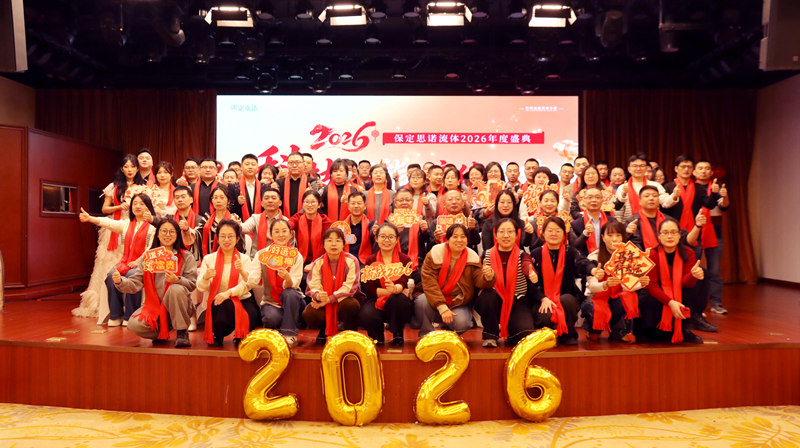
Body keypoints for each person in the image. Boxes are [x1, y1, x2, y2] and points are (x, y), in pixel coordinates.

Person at [113, 219, 198, 348]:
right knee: (134, 325)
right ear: (157, 234)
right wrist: (120, 281)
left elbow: (192, 284)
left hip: (181, 306)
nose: (167, 235)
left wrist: (177, 280)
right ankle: (161, 331)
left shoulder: (186, 256)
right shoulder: (148, 257)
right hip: (155, 307)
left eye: (172, 232)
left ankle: (182, 332)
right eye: (164, 231)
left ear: (177, 235)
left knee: (175, 289)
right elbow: (136, 282)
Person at [79, 193, 157, 326]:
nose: (137, 206)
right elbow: (109, 223)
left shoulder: (153, 226)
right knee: (111, 275)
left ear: (148, 207)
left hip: (145, 263)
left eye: (142, 204)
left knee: (132, 276)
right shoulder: (126, 224)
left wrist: (138, 261)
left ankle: (130, 315)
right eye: (135, 204)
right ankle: (116, 315)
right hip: (126, 262)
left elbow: (151, 248)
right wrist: (90, 218)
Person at [416, 223, 493, 337]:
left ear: (467, 240)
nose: (459, 240)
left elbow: (479, 281)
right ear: (447, 239)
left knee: (463, 323)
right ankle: (426, 334)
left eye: (463, 237)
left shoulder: (472, 258)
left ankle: (450, 334)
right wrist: (442, 307)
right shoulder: (434, 254)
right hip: (434, 299)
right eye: (455, 236)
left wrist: (488, 276)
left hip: (458, 302)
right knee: (421, 302)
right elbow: (429, 283)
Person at [637, 219, 706, 344]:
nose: (670, 236)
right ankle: (650, 330)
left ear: (679, 235)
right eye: (665, 233)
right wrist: (670, 302)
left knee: (699, 282)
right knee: (647, 297)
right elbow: (652, 286)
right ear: (659, 236)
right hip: (659, 293)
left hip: (679, 290)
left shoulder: (688, 253)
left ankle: (683, 328)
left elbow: (686, 283)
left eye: (674, 232)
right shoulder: (652, 254)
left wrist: (692, 275)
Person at [530, 216, 594, 345]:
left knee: (567, 300)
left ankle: (568, 334)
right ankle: (547, 337)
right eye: (550, 230)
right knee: (545, 315)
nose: (554, 234)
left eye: (558, 231)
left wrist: (592, 269)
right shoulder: (535, 254)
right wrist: (542, 298)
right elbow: (530, 283)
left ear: (564, 234)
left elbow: (582, 262)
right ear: (543, 233)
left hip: (566, 296)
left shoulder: (571, 251)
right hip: (542, 298)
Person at [474, 218, 538, 347]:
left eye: (510, 231)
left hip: (517, 300)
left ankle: (511, 333)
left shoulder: (523, 255)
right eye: (502, 231)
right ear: (495, 234)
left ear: (517, 234)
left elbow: (527, 265)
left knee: (525, 333)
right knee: (487, 296)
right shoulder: (486, 255)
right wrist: (486, 277)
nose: (506, 235)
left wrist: (531, 273)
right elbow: (477, 280)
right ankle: (490, 335)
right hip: (494, 301)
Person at [196, 219, 260, 347]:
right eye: (223, 236)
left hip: (241, 300)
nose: (226, 240)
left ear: (237, 239)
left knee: (252, 315)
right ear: (217, 238)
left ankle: (240, 334)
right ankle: (217, 334)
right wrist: (205, 278)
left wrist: (229, 291)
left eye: (230, 236)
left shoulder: (244, 259)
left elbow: (248, 284)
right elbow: (201, 287)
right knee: (222, 305)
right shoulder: (209, 259)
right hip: (219, 303)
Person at [580, 221, 644, 343]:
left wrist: (641, 283)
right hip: (598, 297)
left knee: (628, 297)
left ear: (623, 238)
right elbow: (592, 286)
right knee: (589, 306)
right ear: (603, 237)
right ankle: (594, 329)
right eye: (610, 235)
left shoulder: (629, 256)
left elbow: (629, 286)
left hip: (618, 295)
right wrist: (606, 284)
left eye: (618, 235)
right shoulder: (594, 257)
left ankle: (619, 332)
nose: (614, 239)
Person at [358, 223, 420, 346]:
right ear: (377, 238)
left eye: (391, 237)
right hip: (376, 298)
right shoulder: (371, 260)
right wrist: (392, 290)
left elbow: (403, 281)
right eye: (383, 236)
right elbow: (370, 288)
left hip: (397, 299)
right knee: (366, 313)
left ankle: (398, 334)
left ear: (397, 239)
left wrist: (396, 289)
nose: (387, 240)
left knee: (399, 300)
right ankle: (377, 337)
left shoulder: (405, 259)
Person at [302, 228, 364, 344]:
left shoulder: (351, 261)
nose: (334, 244)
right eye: (329, 240)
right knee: (309, 313)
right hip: (324, 301)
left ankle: (350, 332)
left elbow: (350, 287)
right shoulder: (318, 262)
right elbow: (313, 285)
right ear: (324, 244)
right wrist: (319, 296)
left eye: (338, 241)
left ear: (343, 244)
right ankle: (324, 330)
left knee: (350, 305)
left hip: (345, 300)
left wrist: (330, 299)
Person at [252, 219, 305, 347]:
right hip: (271, 302)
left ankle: (289, 334)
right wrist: (243, 272)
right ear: (271, 234)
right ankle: (284, 323)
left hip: (293, 300)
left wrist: (288, 278)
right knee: (272, 318)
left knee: (290, 293)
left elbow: (295, 282)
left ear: (290, 234)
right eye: (276, 231)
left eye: (284, 231)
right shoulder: (262, 255)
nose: (281, 235)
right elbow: (253, 278)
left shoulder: (296, 255)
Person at [694, 159, 729, 314]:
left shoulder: (717, 187)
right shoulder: (690, 187)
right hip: (694, 233)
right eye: (700, 168)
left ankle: (716, 304)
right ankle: (696, 306)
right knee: (693, 270)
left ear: (711, 172)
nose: (703, 171)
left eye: (707, 168)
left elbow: (725, 207)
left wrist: (725, 196)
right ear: (694, 171)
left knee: (714, 271)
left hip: (715, 233)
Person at [615, 153, 677, 222]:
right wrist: (621, 227)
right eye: (635, 166)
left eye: (642, 166)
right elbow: (618, 213)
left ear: (646, 168)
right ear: (629, 169)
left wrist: (674, 195)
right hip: (630, 225)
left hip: (653, 223)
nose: (638, 169)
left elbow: (665, 203)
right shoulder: (622, 188)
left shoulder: (655, 185)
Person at [388, 189, 430, 269]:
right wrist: (394, 232)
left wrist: (425, 230)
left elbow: (427, 240)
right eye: (401, 200)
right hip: (393, 261)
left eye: (407, 200)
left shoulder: (419, 218)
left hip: (417, 261)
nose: (404, 203)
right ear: (395, 202)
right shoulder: (389, 220)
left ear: (412, 202)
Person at [288, 190, 331, 267]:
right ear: (303, 204)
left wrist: (314, 263)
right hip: (300, 259)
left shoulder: (325, 221)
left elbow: (323, 245)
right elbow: (289, 225)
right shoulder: (298, 217)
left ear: (319, 205)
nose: (309, 205)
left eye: (313, 202)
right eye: (306, 202)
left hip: (321, 260)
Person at [569, 187, 616, 256]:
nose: (594, 200)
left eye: (597, 197)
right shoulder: (575, 224)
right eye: (590, 197)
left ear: (602, 200)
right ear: (583, 201)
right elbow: (575, 247)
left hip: (609, 257)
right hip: (585, 260)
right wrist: (585, 234)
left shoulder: (612, 221)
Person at [240, 187, 286, 257]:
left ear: (280, 203)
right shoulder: (255, 218)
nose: (270, 201)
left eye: (273, 198)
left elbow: (290, 245)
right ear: (261, 203)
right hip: (257, 259)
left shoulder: (286, 222)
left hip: (279, 259)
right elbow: (244, 228)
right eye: (266, 198)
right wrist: (237, 223)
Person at [170, 185, 206, 262]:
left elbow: (201, 241)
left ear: (191, 200)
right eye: (177, 197)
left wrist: (187, 230)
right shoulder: (169, 219)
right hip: (172, 257)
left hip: (194, 259)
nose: (180, 200)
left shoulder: (201, 220)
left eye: (183, 197)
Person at [227, 154, 267, 222]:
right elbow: (229, 209)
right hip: (239, 224)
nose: (250, 167)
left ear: (257, 167)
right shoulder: (233, 187)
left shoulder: (264, 187)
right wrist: (237, 202)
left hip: (261, 224)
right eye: (247, 164)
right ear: (241, 167)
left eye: (253, 164)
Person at [278, 151, 318, 217]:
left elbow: (315, 204)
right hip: (283, 220)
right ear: (287, 165)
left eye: (297, 162)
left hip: (305, 219)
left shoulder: (311, 182)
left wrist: (310, 195)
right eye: (291, 163)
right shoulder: (279, 183)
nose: (294, 165)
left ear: (303, 165)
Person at [200, 187, 235, 257]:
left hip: (229, 257)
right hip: (209, 257)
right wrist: (187, 230)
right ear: (212, 201)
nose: (218, 201)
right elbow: (197, 234)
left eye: (222, 198)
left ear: (228, 201)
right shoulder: (206, 218)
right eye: (215, 198)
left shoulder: (234, 218)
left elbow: (239, 240)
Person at [343, 191, 374, 265]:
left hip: (364, 262)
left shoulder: (371, 225)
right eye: (353, 203)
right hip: (345, 261)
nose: (356, 206)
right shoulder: (342, 226)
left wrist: (376, 233)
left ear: (365, 206)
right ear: (348, 206)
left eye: (359, 203)